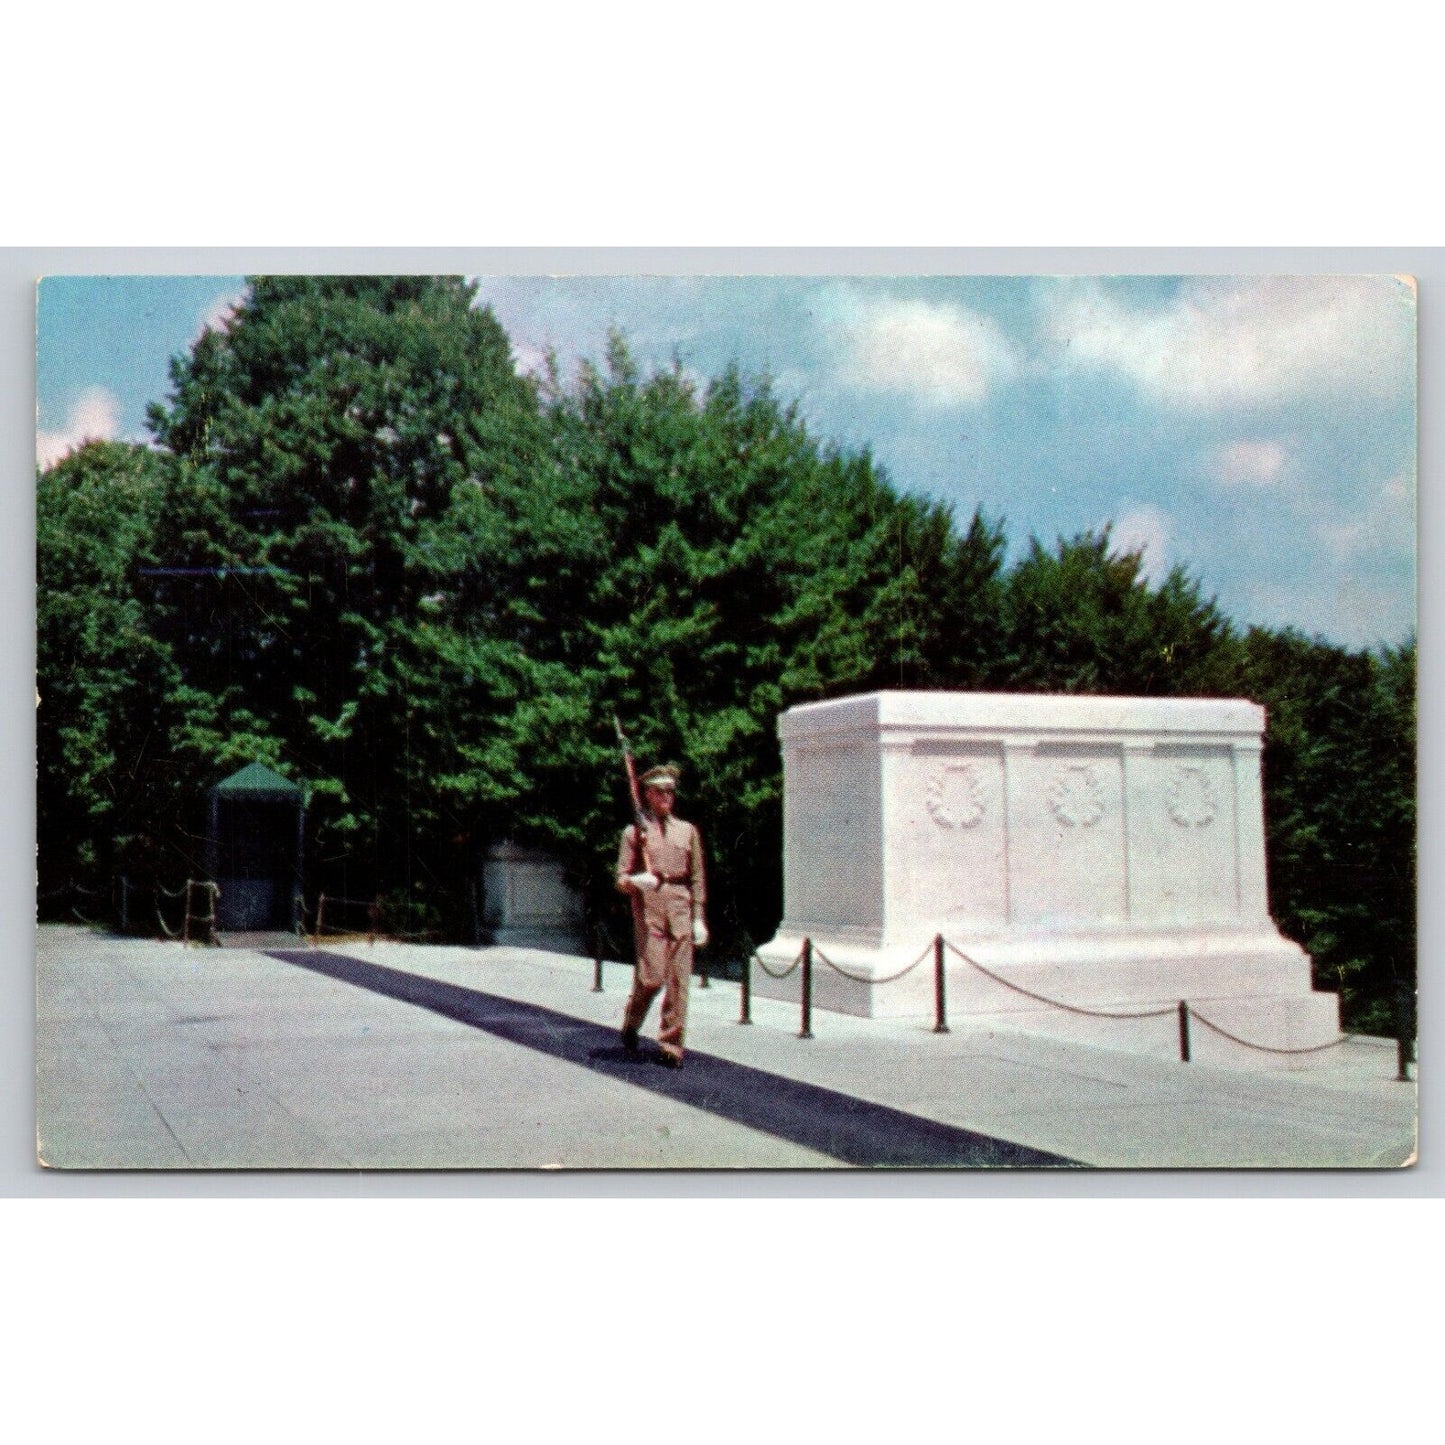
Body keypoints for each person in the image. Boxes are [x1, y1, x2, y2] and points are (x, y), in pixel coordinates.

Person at [616, 764, 708, 1068]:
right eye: (660, 791)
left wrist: (699, 917)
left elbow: (696, 877)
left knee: (679, 979)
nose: (667, 796)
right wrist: (636, 882)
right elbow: (621, 878)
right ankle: (632, 1020)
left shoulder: (687, 831)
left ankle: (670, 1044)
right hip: (650, 908)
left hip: (680, 905)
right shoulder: (635, 833)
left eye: (671, 791)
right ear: (648, 794)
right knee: (652, 977)